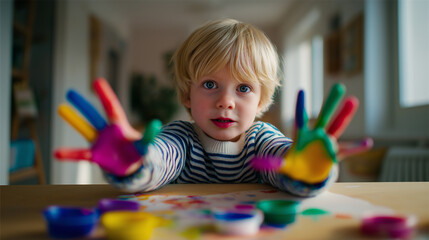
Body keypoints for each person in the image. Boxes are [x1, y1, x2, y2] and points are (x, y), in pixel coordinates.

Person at [56, 19, 357, 197]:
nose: (226, 101)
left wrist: (309, 169)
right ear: (187, 95)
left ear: (261, 101)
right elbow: (158, 162)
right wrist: (135, 163)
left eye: (243, 88)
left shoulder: (261, 140)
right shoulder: (181, 140)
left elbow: (284, 163)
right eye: (210, 84)